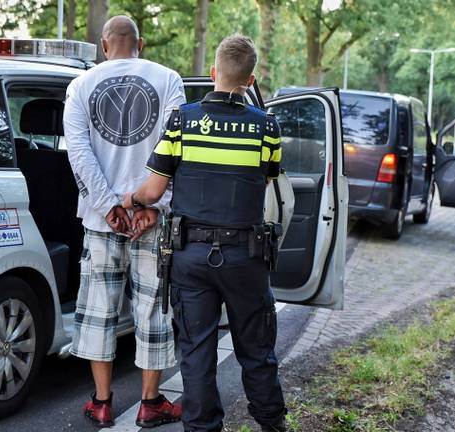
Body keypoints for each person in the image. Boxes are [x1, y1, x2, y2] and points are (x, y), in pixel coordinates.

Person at [123, 34, 287, 432]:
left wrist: (130, 200)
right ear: (251, 80)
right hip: (246, 258)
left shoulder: (182, 121)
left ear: (214, 72)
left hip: (191, 257)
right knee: (257, 352)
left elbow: (154, 190)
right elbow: (261, 186)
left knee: (196, 353)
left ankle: (202, 428)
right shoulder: (267, 128)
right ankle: (273, 425)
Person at [63, 15, 186, 428]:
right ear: (141, 43)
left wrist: (109, 207)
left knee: (100, 311)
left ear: (103, 45)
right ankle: (151, 404)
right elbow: (176, 146)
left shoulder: (80, 86)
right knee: (153, 309)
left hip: (102, 222)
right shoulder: (169, 79)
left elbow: (78, 153)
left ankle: (100, 402)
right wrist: (154, 203)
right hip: (152, 219)